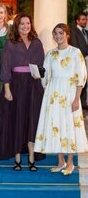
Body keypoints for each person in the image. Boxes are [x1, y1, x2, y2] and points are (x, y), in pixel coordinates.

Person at [0, 12, 45, 171]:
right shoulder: (10, 43)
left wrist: (40, 76)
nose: (25, 26)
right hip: (15, 86)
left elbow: (41, 66)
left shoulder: (37, 43)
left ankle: (32, 156)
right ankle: (17, 157)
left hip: (33, 86)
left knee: (31, 120)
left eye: (28, 23)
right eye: (22, 24)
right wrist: (6, 89)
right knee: (17, 120)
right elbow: (5, 67)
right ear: (16, 25)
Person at [34, 23, 88, 175]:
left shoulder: (75, 52)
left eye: (61, 33)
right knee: (56, 125)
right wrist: (37, 75)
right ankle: (60, 161)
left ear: (67, 34)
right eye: (56, 33)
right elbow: (46, 76)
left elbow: (81, 76)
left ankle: (70, 163)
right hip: (53, 94)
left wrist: (77, 98)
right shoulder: (50, 54)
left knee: (69, 126)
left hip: (70, 93)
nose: (58, 36)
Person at [70, 12, 88, 108]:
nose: (85, 21)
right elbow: (74, 46)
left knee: (85, 81)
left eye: (86, 19)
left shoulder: (86, 32)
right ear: (77, 21)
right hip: (79, 60)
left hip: (86, 60)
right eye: (83, 19)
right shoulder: (73, 31)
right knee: (80, 82)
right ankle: (79, 104)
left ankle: (84, 104)